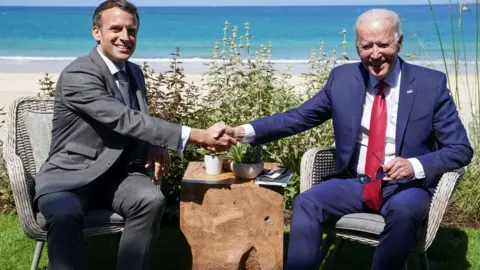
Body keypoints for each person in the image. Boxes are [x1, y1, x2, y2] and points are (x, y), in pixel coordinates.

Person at [223, 8, 473, 270]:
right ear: (357, 47)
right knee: (306, 203)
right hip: (355, 183)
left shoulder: (429, 85)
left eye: (383, 44)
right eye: (366, 46)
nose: (374, 54)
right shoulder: (342, 79)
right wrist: (241, 132)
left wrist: (414, 165)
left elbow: (460, 149)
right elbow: (297, 118)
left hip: (407, 188)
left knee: (403, 212)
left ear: (399, 43)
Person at [34, 1, 234, 269]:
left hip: (118, 179)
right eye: (116, 29)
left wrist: (156, 144)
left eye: (132, 31)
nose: (125, 37)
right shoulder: (79, 73)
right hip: (70, 178)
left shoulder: (134, 72)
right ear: (97, 32)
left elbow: (141, 119)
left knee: (151, 199)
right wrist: (198, 135)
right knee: (64, 213)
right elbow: (124, 119)